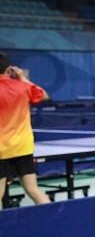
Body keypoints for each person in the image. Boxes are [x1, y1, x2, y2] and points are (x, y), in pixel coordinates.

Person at [0, 54, 51, 208]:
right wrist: (22, 78)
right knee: (33, 189)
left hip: (1, 150)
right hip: (23, 147)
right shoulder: (23, 87)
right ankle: (52, 218)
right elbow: (45, 95)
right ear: (9, 70)